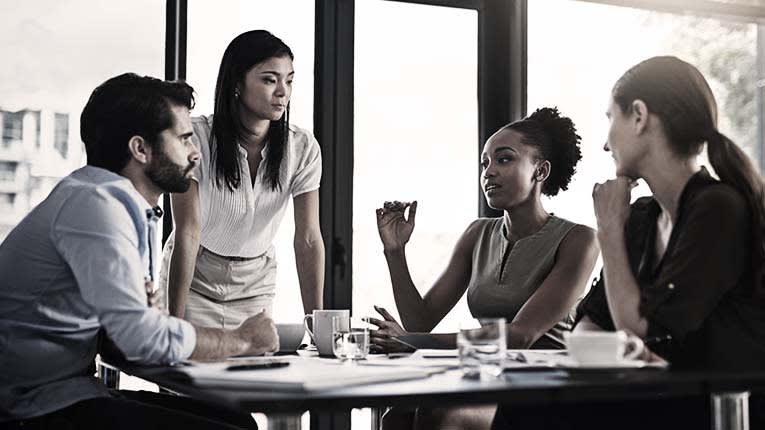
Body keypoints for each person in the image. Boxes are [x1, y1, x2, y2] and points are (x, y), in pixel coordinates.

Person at [493, 56, 765, 430]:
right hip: (661, 395)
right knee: (522, 406)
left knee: (530, 414)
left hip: (721, 405)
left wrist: (608, 229)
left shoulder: (717, 207)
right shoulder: (640, 217)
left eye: (610, 119)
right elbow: (590, 324)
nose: (606, 145)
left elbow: (638, 324)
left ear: (638, 116)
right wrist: (622, 348)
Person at [0, 73, 278, 430]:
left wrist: (145, 321)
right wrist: (241, 339)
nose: (195, 153)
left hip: (69, 392)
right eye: (183, 139)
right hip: (31, 407)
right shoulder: (97, 205)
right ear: (140, 149)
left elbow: (123, 340)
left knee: (238, 421)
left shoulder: (115, 203)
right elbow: (140, 339)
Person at [371, 107, 600, 430]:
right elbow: (420, 320)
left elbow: (520, 336)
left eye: (504, 159)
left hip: (546, 392)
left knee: (439, 416)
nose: (489, 172)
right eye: (485, 163)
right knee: (398, 415)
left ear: (540, 170)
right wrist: (395, 252)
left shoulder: (579, 240)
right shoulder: (477, 233)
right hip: (489, 379)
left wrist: (413, 341)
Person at [161, 30, 324, 328]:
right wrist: (174, 322)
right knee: (187, 369)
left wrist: (317, 325)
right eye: (269, 79)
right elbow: (188, 232)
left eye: (289, 80)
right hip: (194, 277)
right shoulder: (194, 138)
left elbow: (308, 238)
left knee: (254, 371)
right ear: (237, 83)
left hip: (255, 284)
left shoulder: (302, 147)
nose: (282, 92)